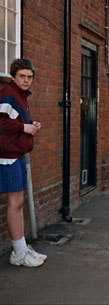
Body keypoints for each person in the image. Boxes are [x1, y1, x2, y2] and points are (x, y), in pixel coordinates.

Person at [0, 58, 46, 267]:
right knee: (15, 203)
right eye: (22, 76)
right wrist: (23, 128)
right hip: (8, 156)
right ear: (12, 77)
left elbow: (12, 121)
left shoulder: (19, 95)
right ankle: (18, 252)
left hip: (16, 155)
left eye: (29, 77)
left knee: (17, 203)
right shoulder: (9, 95)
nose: (26, 80)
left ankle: (21, 248)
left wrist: (29, 125)